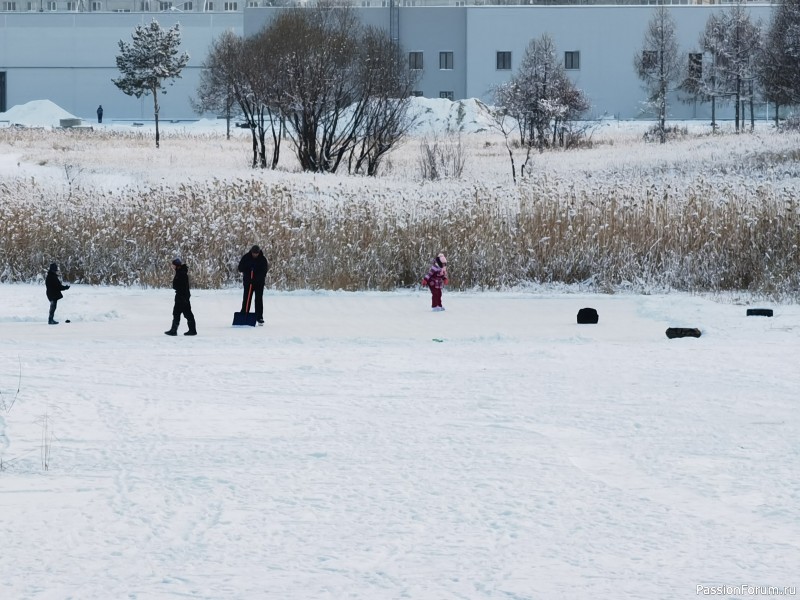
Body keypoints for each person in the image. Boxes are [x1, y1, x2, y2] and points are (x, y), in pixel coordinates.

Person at [237, 245, 269, 324]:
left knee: (258, 299)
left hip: (259, 283)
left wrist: (256, 279)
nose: (255, 255)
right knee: (246, 299)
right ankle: (244, 314)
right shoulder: (246, 257)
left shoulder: (262, 259)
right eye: (253, 253)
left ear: (259, 252)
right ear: (251, 252)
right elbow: (240, 268)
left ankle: (259, 317)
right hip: (248, 282)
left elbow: (264, 271)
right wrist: (248, 268)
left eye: (256, 253)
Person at [165, 258, 197, 336]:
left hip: (182, 296)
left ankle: (174, 330)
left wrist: (182, 296)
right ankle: (191, 330)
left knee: (178, 313)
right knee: (185, 313)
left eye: (173, 265)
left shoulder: (181, 273)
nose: (172, 266)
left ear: (176, 265)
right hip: (183, 296)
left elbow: (181, 286)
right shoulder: (180, 272)